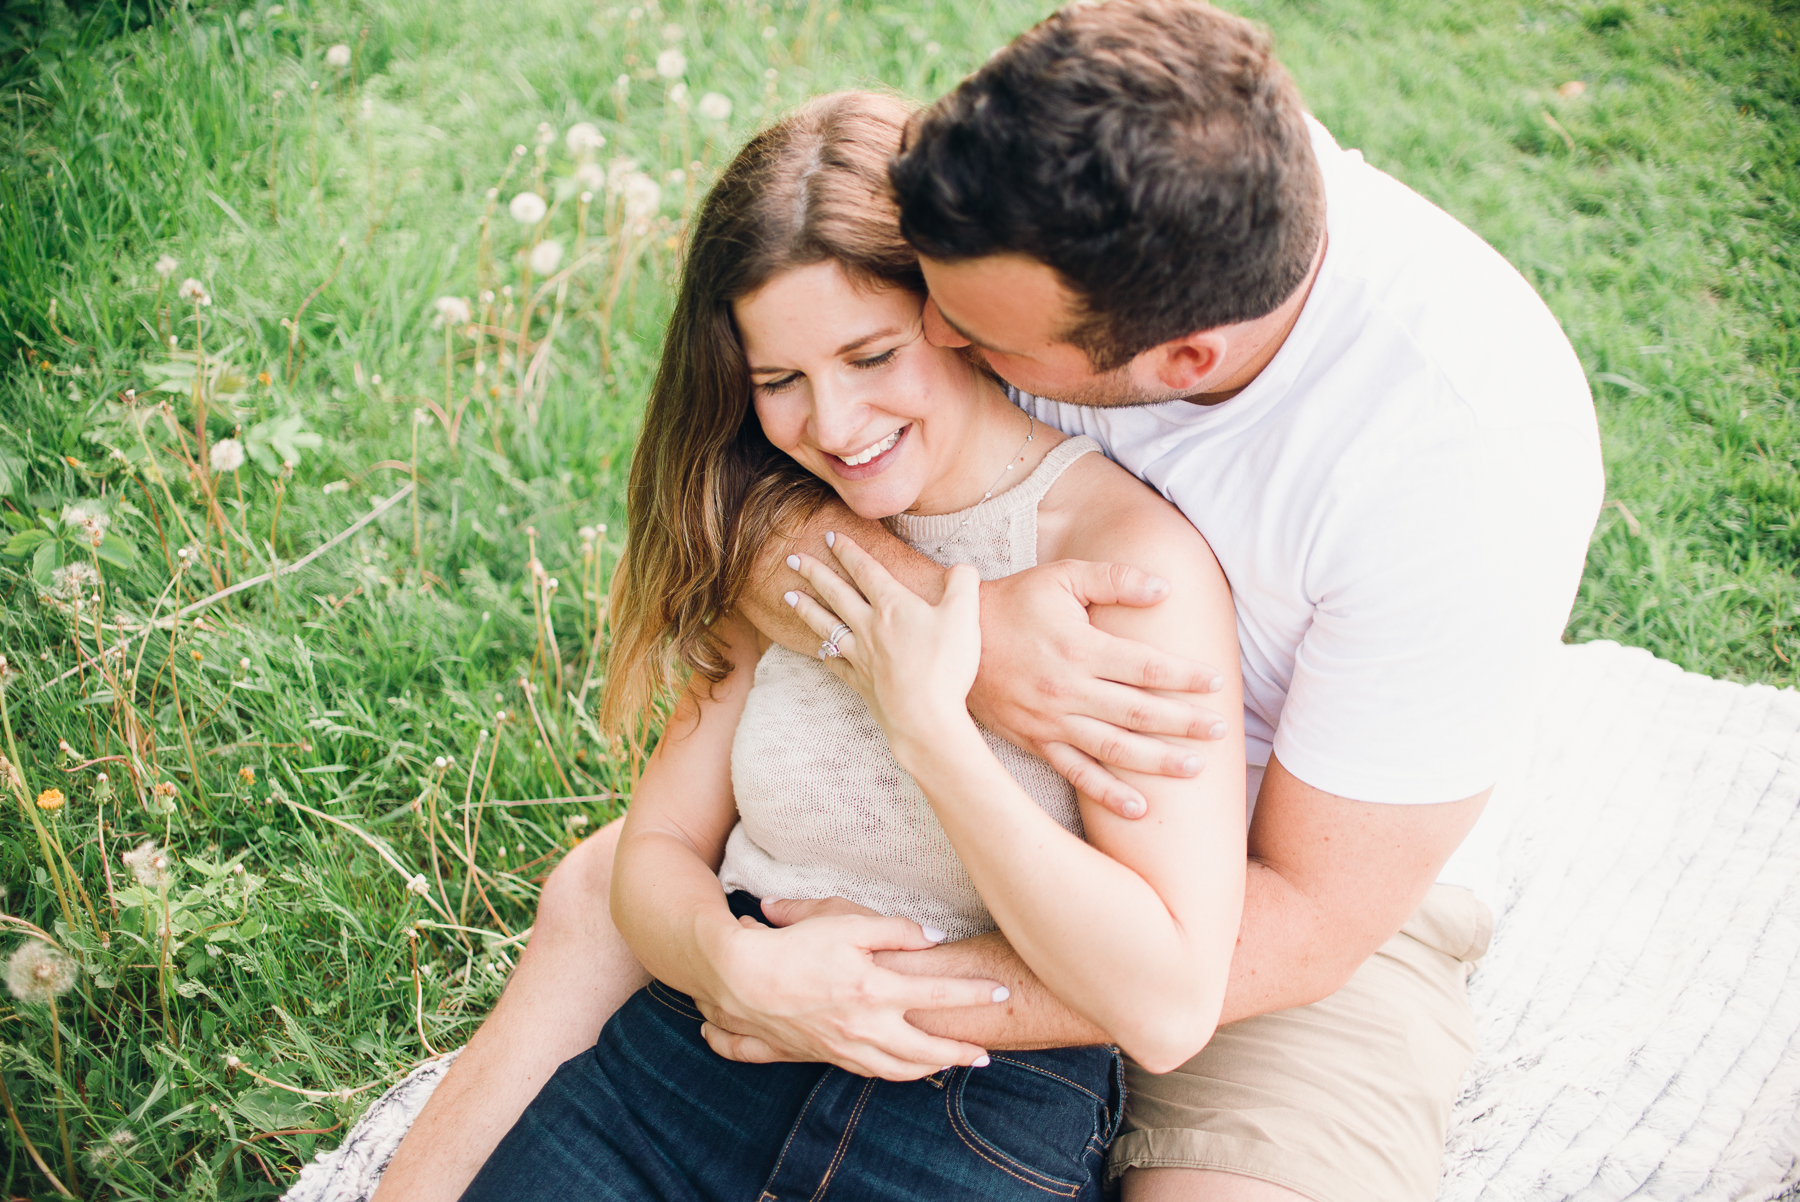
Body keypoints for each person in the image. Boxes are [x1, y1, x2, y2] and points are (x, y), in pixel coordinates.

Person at [378, 2, 1604, 1200]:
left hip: (1276, 904)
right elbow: (748, 466)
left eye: (964, 334)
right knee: (601, 903)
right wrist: (971, 644)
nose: (941, 339)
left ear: (1176, 365)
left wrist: (866, 992)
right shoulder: (1060, 182)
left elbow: (1298, 926)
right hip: (896, 835)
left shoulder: (1471, 455)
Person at [442, 89, 1249, 1201]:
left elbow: (1163, 999)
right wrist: (729, 960)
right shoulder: (789, 525)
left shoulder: (1122, 566)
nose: (832, 423)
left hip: (968, 1106)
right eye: (780, 379)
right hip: (694, 1059)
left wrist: (933, 729)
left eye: (871, 353)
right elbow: (661, 840)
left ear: (956, 313)